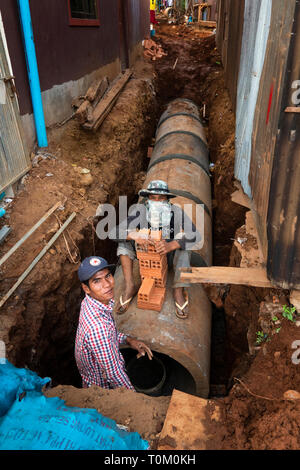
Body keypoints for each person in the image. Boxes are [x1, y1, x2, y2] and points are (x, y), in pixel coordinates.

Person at [114, 180, 202, 319]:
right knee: (124, 243)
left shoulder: (176, 212)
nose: (157, 201)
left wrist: (172, 245)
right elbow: (114, 232)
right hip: (146, 254)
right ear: (148, 199)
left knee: (185, 246)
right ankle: (129, 286)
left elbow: (195, 235)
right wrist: (133, 235)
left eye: (161, 198)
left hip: (169, 256)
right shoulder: (140, 211)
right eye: (153, 198)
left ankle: (178, 291)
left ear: (167, 199)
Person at [75, 256, 153, 390]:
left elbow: (110, 332)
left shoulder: (94, 302)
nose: (107, 284)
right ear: (86, 288)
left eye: (108, 276)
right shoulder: (98, 328)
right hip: (101, 388)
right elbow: (114, 374)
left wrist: (129, 341)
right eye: (97, 281)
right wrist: (135, 399)